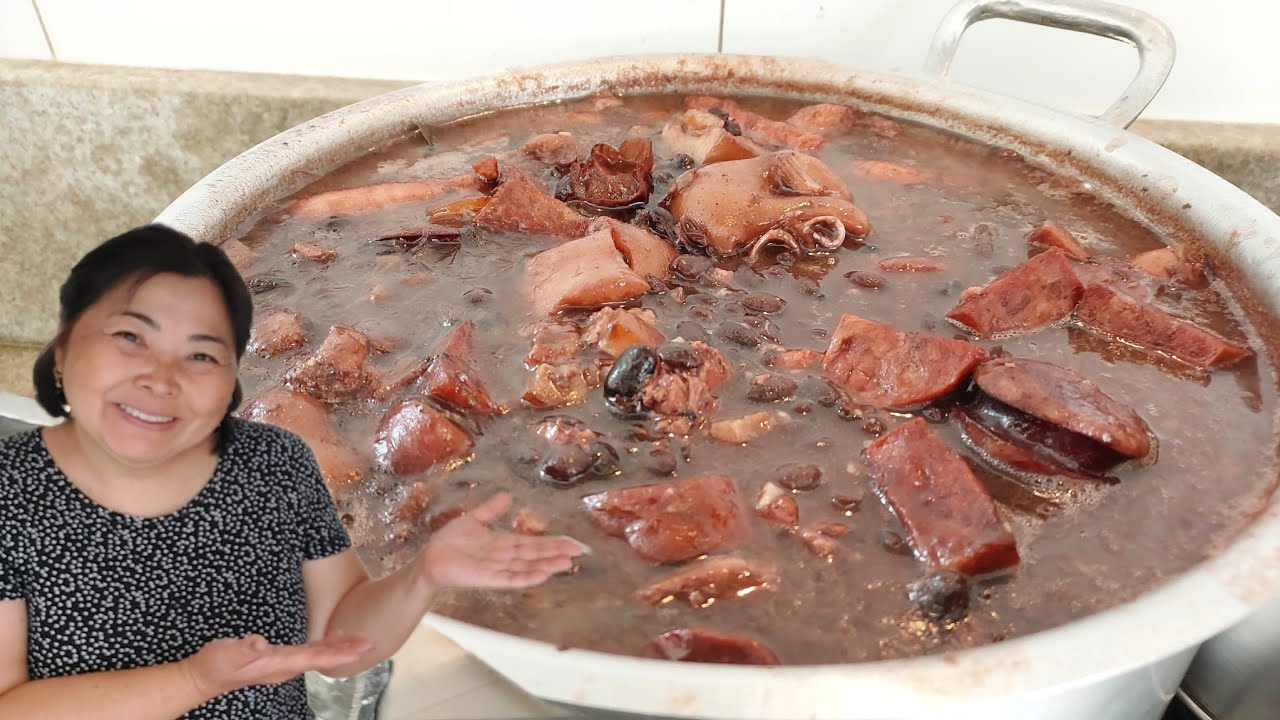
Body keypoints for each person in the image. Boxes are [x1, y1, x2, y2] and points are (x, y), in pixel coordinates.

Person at [0, 225, 586, 719]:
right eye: (130, 338)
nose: (162, 378)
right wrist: (196, 680)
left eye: (201, 354)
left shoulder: (272, 463)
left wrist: (422, 575)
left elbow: (342, 641)